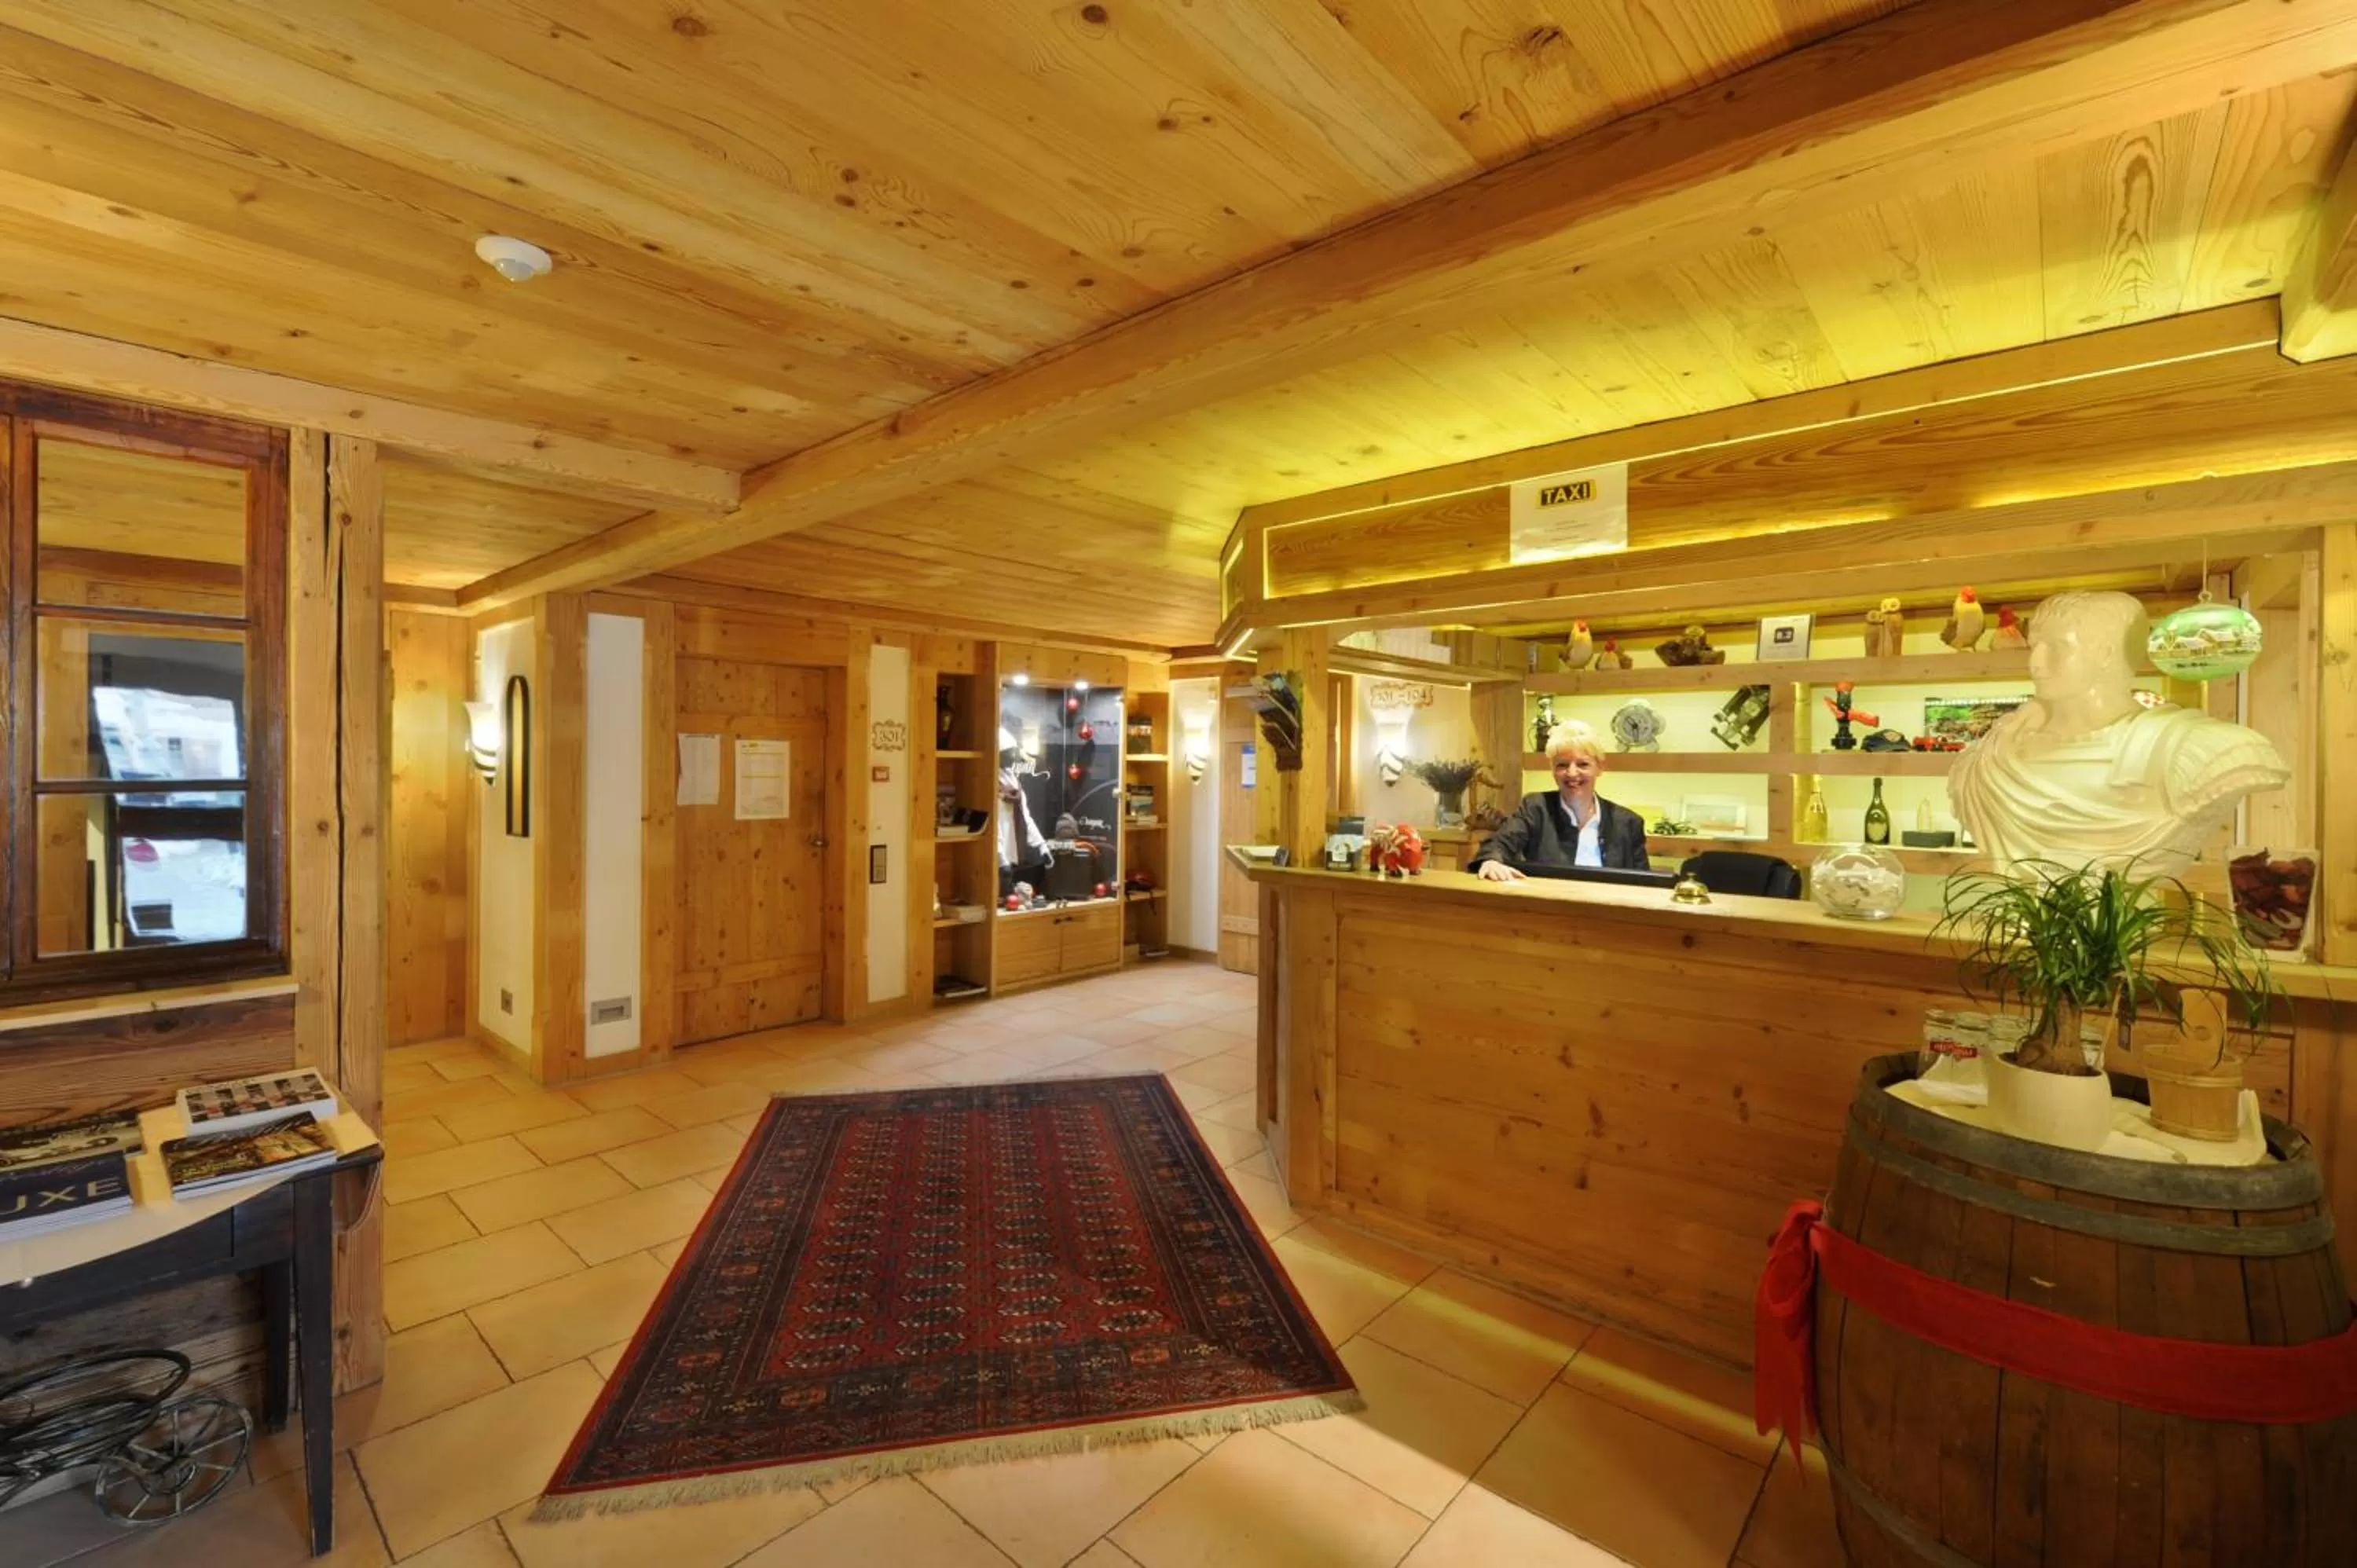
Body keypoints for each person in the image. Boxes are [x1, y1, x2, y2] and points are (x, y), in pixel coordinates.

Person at [1948, 590, 2287, 877]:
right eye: (2035, 645)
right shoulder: (1994, 756)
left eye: (2058, 647)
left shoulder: (2198, 749)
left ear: (2106, 654)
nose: (2036, 662)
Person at [1469, 721, 1649, 881]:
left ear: (1600, 768)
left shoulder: (1628, 823)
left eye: (1582, 764)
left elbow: (1645, 886)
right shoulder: (1535, 808)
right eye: (1562, 765)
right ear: (1552, 770)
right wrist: (1491, 861)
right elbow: (1498, 844)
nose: (1572, 773)